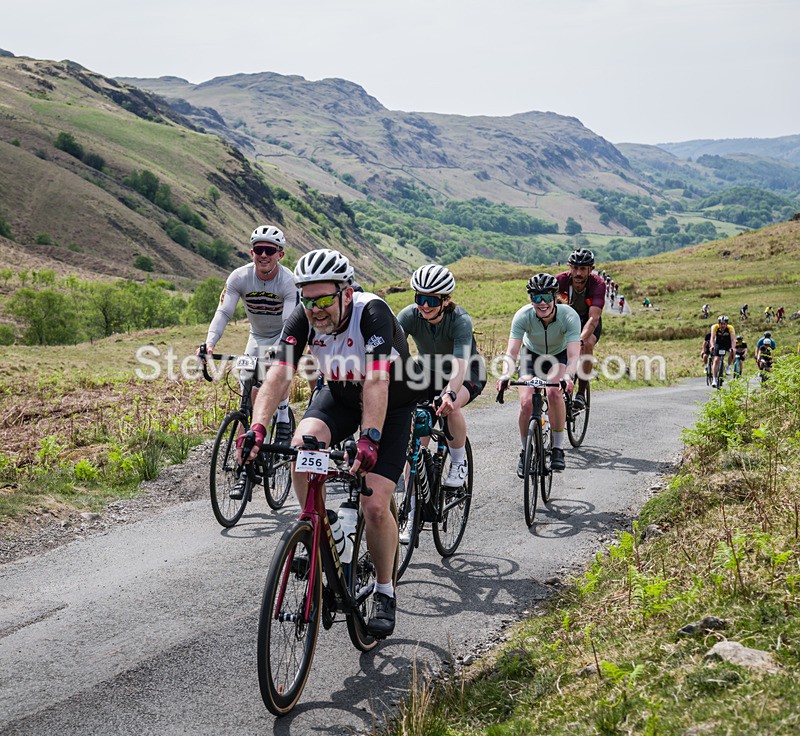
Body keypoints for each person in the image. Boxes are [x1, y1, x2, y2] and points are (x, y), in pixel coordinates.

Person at [244, 248, 422, 638]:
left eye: (325, 299)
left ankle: (385, 590)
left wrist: (369, 438)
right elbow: (279, 374)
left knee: (374, 504)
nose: (316, 309)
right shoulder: (304, 314)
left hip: (390, 403)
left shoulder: (372, 313)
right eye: (308, 300)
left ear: (346, 292)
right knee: (302, 450)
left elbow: (377, 382)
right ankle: (324, 530)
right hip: (340, 394)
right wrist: (257, 427)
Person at [199, 225, 298, 497]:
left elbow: (289, 323)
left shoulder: (288, 282)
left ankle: (283, 416)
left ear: (280, 254)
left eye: (270, 250)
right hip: (255, 336)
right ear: (251, 251)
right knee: (247, 393)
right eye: (258, 250)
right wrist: (209, 343)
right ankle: (243, 470)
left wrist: (280, 352)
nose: (263, 255)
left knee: (277, 372)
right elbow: (224, 312)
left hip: (281, 334)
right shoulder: (239, 277)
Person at [397, 265, 486, 490]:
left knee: (450, 406)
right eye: (421, 298)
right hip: (428, 373)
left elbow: (459, 366)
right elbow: (391, 351)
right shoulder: (408, 315)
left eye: (433, 301)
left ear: (446, 300)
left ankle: (458, 461)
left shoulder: (460, 320)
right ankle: (412, 504)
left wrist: (449, 393)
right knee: (418, 436)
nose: (425, 305)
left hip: (467, 372)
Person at [498, 273, 581, 475]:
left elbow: (572, 356)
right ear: (531, 299)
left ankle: (558, 448)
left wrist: (568, 376)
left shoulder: (569, 316)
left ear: (555, 297)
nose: (542, 303)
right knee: (526, 403)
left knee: (554, 393)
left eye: (546, 297)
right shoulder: (523, 316)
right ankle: (525, 450)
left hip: (558, 356)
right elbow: (512, 352)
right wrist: (505, 374)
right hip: (531, 355)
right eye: (536, 298)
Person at [555, 248, 605, 410]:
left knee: (587, 344)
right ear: (570, 267)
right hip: (566, 322)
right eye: (575, 268)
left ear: (591, 269)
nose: (578, 273)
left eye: (583, 269)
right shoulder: (560, 281)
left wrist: (580, 341)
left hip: (587, 322)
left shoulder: (597, 285)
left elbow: (594, 318)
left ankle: (581, 393)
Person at [709, 315, 736, 386]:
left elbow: (733, 340)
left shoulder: (730, 328)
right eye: (721, 324)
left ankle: (728, 366)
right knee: (716, 360)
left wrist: (733, 348)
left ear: (726, 324)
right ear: (719, 323)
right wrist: (712, 346)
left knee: (733, 351)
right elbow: (712, 338)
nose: (722, 325)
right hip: (719, 343)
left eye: (724, 324)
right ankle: (714, 379)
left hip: (727, 343)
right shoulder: (715, 327)